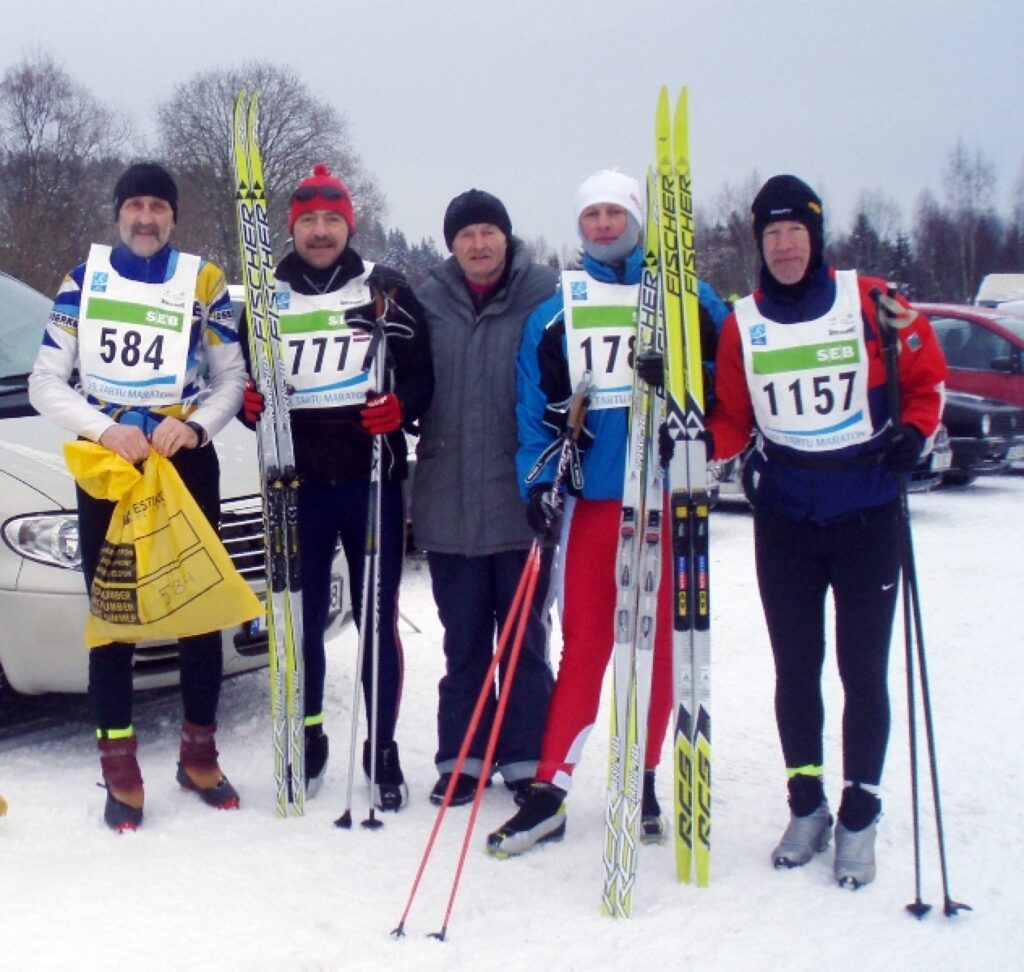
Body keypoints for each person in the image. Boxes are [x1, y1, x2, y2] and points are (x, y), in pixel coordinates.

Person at [704, 175, 946, 887]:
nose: (784, 246)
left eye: (795, 232)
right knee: (796, 668)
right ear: (758, 243)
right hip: (785, 518)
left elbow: (926, 380)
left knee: (862, 670)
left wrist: (915, 433)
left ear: (815, 237)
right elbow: (733, 420)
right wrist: (693, 438)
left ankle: (860, 811)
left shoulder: (870, 299)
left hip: (867, 512)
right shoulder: (742, 322)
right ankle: (806, 805)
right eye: (771, 234)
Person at [486, 169, 725, 857]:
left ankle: (641, 778)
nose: (602, 225)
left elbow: (729, 389)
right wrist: (539, 485)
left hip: (667, 499)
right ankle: (550, 791)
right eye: (591, 215)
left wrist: (691, 408)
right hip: (595, 503)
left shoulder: (689, 298)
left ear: (637, 219)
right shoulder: (560, 308)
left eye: (614, 213)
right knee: (587, 644)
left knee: (660, 647)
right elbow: (536, 413)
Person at [29, 162, 248, 832]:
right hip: (112, 467)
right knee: (115, 616)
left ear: (173, 216)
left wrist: (197, 426)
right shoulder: (83, 280)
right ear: (119, 213)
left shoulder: (204, 280)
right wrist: (106, 429)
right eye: (135, 206)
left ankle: (199, 756)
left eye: (158, 206)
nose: (146, 218)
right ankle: (120, 770)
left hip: (184, 462)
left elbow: (231, 377)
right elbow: (46, 381)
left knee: (198, 611)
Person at [241, 164, 432, 810]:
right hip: (299, 485)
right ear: (291, 228)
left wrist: (399, 407)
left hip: (370, 480)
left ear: (349, 225)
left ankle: (383, 748)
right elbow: (246, 381)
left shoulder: (386, 288)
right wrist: (250, 406)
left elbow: (423, 374)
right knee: (301, 619)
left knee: (377, 618)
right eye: (308, 222)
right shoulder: (265, 297)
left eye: (331, 220)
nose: (320, 232)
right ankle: (311, 734)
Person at [412, 189, 559, 806]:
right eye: (466, 235)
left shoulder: (546, 294)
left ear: (506, 236)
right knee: (464, 639)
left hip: (521, 500)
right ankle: (464, 758)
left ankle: (526, 757)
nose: (478, 244)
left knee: (524, 640)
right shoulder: (427, 300)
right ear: (452, 244)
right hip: (448, 499)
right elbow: (405, 379)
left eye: (487, 232)